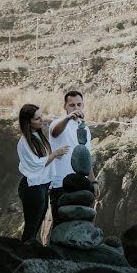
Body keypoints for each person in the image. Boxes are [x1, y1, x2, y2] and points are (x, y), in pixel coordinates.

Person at [16, 104, 68, 242]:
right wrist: (55, 154)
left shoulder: (38, 136)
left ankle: (28, 253)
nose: (41, 120)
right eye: (37, 118)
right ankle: (25, 256)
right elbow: (37, 163)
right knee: (31, 227)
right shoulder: (24, 141)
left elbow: (44, 160)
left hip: (42, 186)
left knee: (36, 225)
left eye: (41, 116)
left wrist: (56, 155)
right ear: (28, 122)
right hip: (32, 187)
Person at [49, 90, 100, 226]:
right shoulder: (58, 123)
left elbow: (85, 158)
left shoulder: (85, 130)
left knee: (80, 226)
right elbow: (54, 132)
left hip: (80, 185)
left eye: (79, 104)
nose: (76, 108)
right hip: (60, 185)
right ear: (65, 107)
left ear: (83, 106)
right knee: (60, 226)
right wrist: (68, 118)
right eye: (71, 105)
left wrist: (93, 182)